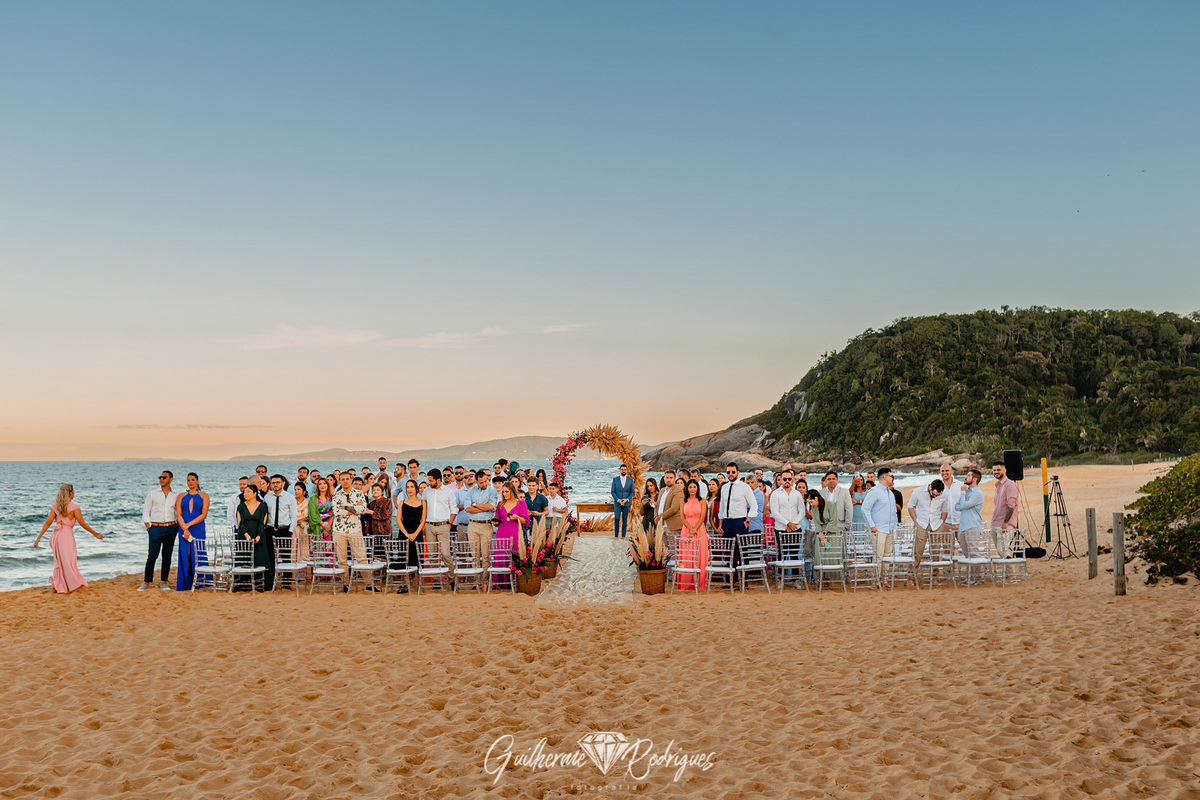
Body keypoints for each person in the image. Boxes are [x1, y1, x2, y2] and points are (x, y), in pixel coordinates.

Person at [34, 484, 103, 593]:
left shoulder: (55, 506)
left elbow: (48, 522)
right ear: (70, 493)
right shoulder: (74, 507)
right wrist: (95, 534)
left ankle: (58, 585)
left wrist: (38, 538)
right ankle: (72, 585)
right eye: (73, 492)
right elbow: (82, 523)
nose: (74, 493)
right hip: (66, 536)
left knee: (60, 562)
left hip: (56, 537)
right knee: (69, 561)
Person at [141, 470, 181, 591]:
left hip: (171, 528)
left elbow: (179, 511)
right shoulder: (153, 494)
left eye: (164, 477)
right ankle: (146, 582)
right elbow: (146, 511)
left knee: (167, 556)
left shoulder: (176, 495)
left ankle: (164, 582)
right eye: (160, 477)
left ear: (171, 479)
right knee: (152, 555)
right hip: (156, 528)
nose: (161, 479)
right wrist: (148, 527)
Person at [261, 474, 297, 591]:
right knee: (270, 557)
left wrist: (290, 531)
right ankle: (271, 582)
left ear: (283, 483)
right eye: (273, 482)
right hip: (270, 530)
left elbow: (294, 516)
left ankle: (286, 583)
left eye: (277, 482)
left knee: (286, 556)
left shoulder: (289, 497)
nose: (275, 485)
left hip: (284, 530)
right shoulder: (267, 497)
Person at [332, 471, 367, 591]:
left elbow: (363, 509)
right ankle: (345, 584)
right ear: (340, 481)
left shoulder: (359, 493)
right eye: (343, 479)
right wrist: (355, 508)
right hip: (339, 530)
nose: (345, 481)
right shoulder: (336, 495)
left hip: (355, 529)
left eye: (347, 479)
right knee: (342, 559)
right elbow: (337, 512)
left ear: (351, 480)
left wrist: (346, 507)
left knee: (361, 557)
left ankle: (368, 583)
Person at [175, 472, 210, 591]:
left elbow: (204, 514)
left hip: (197, 528)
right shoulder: (181, 496)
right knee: (186, 553)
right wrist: (184, 528)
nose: (190, 482)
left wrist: (188, 525)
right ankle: (188, 582)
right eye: (188, 480)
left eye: (193, 480)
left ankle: (200, 581)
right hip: (183, 528)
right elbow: (178, 514)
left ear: (197, 481)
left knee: (197, 553)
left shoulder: (204, 495)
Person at [771, 469, 806, 581]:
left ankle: (796, 580)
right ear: (781, 480)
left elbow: (802, 511)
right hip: (781, 529)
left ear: (792, 480)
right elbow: (775, 513)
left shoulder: (797, 494)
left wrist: (793, 524)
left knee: (795, 554)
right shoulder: (775, 494)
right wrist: (787, 523)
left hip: (795, 528)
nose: (787, 481)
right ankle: (780, 579)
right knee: (782, 554)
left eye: (789, 479)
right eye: (784, 479)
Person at [715, 463, 757, 556]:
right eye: (728, 472)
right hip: (726, 523)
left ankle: (743, 566)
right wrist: (720, 524)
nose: (731, 474)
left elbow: (754, 505)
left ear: (738, 473)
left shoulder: (744, 487)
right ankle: (730, 566)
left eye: (733, 472)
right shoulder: (724, 487)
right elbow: (722, 507)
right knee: (728, 553)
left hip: (740, 522)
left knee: (742, 553)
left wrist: (747, 522)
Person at [906, 479, 946, 573]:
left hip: (936, 524)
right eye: (933, 494)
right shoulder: (918, 491)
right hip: (921, 523)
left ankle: (934, 574)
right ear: (930, 487)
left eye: (937, 495)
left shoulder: (944, 495)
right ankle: (912, 574)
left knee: (936, 551)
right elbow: (910, 506)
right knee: (918, 551)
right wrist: (915, 520)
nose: (935, 496)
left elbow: (945, 510)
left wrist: (942, 522)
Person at [423, 469, 458, 573]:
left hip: (443, 525)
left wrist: (450, 524)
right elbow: (424, 507)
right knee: (432, 554)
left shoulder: (448, 492)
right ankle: (436, 579)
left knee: (445, 553)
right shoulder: (426, 491)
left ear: (438, 480)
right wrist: (423, 524)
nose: (429, 483)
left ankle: (451, 577)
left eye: (431, 481)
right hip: (429, 525)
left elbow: (454, 509)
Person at [494, 482, 529, 581]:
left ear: (512, 491)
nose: (504, 494)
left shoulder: (520, 503)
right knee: (501, 555)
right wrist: (495, 521)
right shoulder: (500, 504)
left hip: (514, 532)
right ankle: (500, 581)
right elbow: (497, 518)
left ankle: (515, 581)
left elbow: (526, 521)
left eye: (506, 492)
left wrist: (517, 517)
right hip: (501, 532)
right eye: (503, 492)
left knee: (514, 554)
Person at [235, 484, 269, 589]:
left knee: (259, 559)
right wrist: (246, 534)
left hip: (259, 535)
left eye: (248, 491)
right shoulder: (241, 506)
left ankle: (260, 584)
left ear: (255, 494)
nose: (245, 494)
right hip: (244, 535)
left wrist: (259, 535)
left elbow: (262, 522)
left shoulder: (263, 506)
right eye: (244, 492)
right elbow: (240, 522)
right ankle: (243, 584)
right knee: (244, 558)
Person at [677, 480, 709, 591]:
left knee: (699, 554)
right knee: (686, 554)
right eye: (690, 487)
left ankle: (700, 582)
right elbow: (682, 517)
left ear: (697, 488)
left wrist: (694, 529)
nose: (692, 489)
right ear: (687, 488)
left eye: (694, 487)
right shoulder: (683, 501)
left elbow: (702, 517)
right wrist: (690, 529)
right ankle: (686, 583)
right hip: (686, 529)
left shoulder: (702, 501)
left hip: (699, 529)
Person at [862, 467, 899, 559]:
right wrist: (872, 526)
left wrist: (895, 527)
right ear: (885, 477)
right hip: (878, 530)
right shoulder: (874, 491)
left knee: (888, 556)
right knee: (878, 556)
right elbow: (865, 509)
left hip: (890, 530)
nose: (892, 478)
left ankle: (885, 570)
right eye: (891, 476)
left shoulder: (890, 494)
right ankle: (877, 570)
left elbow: (894, 512)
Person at [956, 469, 986, 578]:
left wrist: (963, 493)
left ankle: (978, 577)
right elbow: (957, 506)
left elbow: (963, 505)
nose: (965, 477)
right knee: (966, 553)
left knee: (974, 553)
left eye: (968, 475)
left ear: (975, 479)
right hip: (963, 526)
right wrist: (964, 496)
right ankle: (972, 577)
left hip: (972, 526)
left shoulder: (977, 493)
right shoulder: (967, 492)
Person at [807, 488, 838, 582]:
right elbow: (816, 523)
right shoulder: (814, 508)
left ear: (816, 498)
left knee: (830, 555)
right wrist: (821, 535)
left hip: (831, 532)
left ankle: (830, 578)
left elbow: (833, 521)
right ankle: (820, 578)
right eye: (809, 502)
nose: (811, 504)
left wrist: (824, 533)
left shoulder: (831, 505)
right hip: (820, 533)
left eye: (811, 502)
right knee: (819, 554)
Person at [991, 461, 1019, 556]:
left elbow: (1011, 505)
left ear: (1005, 470)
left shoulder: (1010, 485)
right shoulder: (998, 485)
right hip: (995, 522)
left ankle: (1010, 566)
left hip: (1005, 524)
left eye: (998, 470)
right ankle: (1007, 566)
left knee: (1002, 550)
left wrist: (1005, 522)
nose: (996, 472)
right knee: (1001, 552)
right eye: (994, 470)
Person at [610, 464, 634, 539]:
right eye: (622, 469)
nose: (623, 471)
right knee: (617, 518)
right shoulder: (615, 480)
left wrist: (627, 499)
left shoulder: (630, 480)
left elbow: (632, 492)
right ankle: (616, 535)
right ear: (620, 470)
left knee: (625, 519)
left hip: (626, 503)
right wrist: (618, 500)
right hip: (617, 503)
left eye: (625, 469)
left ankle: (623, 536)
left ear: (627, 470)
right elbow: (612, 491)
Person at [938, 464, 962, 537]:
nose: (944, 473)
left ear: (952, 472)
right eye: (942, 471)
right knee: (946, 544)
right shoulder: (937, 486)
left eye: (947, 470)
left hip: (960, 522)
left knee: (964, 544)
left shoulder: (960, 485)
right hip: (945, 523)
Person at [658, 470, 683, 537]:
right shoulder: (662, 490)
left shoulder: (678, 490)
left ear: (675, 479)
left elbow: (674, 509)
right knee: (661, 544)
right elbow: (657, 506)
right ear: (664, 478)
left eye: (671, 478)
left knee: (672, 544)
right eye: (667, 477)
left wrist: (660, 517)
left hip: (672, 526)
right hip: (661, 525)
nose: (668, 480)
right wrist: (656, 517)